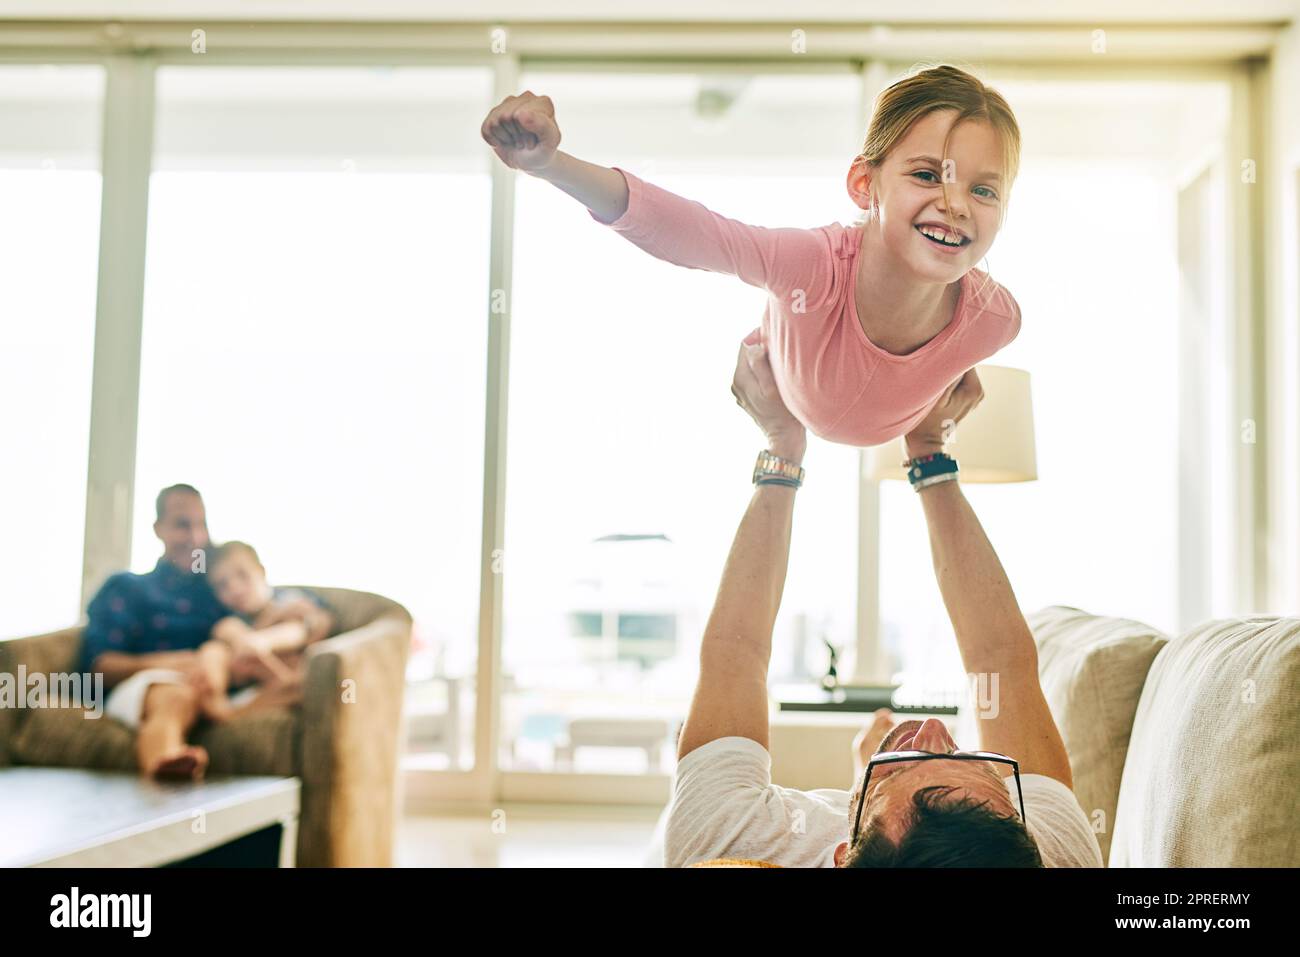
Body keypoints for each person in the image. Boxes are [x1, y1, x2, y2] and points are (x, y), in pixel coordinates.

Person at [661, 341, 1103, 867]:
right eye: (974, 762)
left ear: (843, 857)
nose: (936, 733)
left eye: (904, 769)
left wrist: (783, 444)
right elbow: (999, 662)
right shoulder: (1041, 855)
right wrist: (929, 453)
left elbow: (737, 651)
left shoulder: (732, 840)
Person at [480, 63, 1022, 448]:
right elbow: (697, 232)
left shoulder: (995, 322)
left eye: (984, 190)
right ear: (864, 184)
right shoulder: (813, 266)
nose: (954, 205)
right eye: (927, 175)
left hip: (896, 422)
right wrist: (549, 164)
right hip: (786, 381)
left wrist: (936, 414)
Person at [81, 484, 227, 779]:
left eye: (202, 525)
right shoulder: (128, 587)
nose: (196, 537)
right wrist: (173, 664)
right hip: (148, 689)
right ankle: (165, 771)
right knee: (175, 696)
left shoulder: (218, 590)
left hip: (209, 689)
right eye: (183, 525)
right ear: (158, 528)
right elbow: (98, 666)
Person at [194, 540, 335, 723]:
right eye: (223, 585)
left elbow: (307, 628)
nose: (235, 589)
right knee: (214, 647)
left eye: (242, 575)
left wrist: (262, 641)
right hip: (250, 689)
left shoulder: (290, 601)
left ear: (261, 570)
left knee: (295, 633)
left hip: (289, 675)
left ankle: (230, 714)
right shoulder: (230, 621)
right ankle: (217, 703)